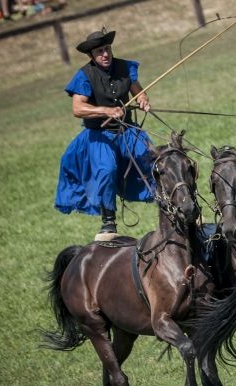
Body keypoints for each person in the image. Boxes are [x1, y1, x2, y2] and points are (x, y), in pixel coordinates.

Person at [55, 28, 155, 241]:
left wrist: (143, 98)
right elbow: (78, 109)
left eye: (107, 49)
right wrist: (105, 111)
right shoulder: (84, 75)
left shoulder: (124, 67)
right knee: (106, 169)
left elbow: (137, 90)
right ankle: (108, 221)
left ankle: (177, 206)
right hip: (99, 136)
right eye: (100, 51)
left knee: (154, 162)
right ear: (91, 55)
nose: (105, 54)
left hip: (127, 131)